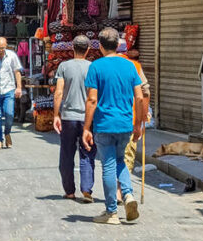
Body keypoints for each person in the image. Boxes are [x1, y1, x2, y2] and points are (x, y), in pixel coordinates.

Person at [82, 27, 145, 225]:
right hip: (125, 123)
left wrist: (86, 128)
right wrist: (139, 124)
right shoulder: (130, 66)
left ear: (99, 46)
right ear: (118, 45)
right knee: (120, 161)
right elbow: (140, 96)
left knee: (108, 165)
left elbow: (92, 100)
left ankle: (111, 212)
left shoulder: (96, 67)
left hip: (104, 124)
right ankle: (128, 194)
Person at [53, 34, 95, 201]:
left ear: (72, 48)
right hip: (87, 118)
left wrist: (56, 114)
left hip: (68, 117)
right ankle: (87, 190)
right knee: (87, 152)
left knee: (66, 154)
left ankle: (69, 191)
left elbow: (58, 92)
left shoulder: (64, 66)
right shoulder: (93, 67)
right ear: (88, 49)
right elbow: (94, 96)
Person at [119, 46, 150, 181]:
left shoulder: (99, 65)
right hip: (129, 119)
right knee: (127, 156)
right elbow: (145, 92)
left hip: (106, 121)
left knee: (110, 159)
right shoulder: (135, 66)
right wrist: (143, 117)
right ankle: (124, 190)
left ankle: (116, 191)